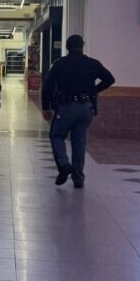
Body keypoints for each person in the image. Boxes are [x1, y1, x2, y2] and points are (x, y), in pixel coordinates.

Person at [42, 35, 115, 188]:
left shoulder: (60, 64)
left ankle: (64, 164)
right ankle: (78, 178)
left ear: (67, 47)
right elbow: (109, 79)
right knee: (79, 142)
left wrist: (45, 106)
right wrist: (93, 91)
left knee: (56, 135)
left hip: (66, 107)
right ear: (83, 46)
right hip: (86, 107)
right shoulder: (92, 63)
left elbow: (48, 86)